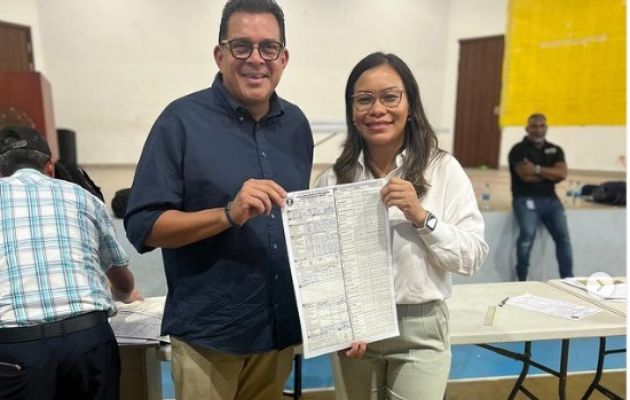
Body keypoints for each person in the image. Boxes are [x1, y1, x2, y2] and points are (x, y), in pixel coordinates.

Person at [123, 0, 313, 398]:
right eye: (241, 46)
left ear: (284, 57)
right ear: (220, 54)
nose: (256, 59)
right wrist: (228, 213)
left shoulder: (296, 126)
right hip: (209, 339)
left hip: (277, 333)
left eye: (269, 48)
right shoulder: (180, 122)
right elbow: (143, 225)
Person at [315, 52, 488, 399]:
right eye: (364, 99)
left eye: (390, 96)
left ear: (410, 104)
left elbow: (472, 257)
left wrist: (422, 217)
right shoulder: (332, 180)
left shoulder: (442, 170)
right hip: (356, 333)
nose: (377, 109)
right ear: (352, 110)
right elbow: (323, 271)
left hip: (420, 331)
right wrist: (338, 323)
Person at [0, 125, 142, 400]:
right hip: (87, 340)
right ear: (50, 166)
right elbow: (123, 280)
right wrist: (124, 294)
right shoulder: (82, 197)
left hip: (15, 349)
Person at [508, 113, 573, 281]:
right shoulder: (518, 150)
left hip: (551, 200)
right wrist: (550, 174)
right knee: (527, 236)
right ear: (527, 129)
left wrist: (536, 169)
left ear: (546, 128)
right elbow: (525, 176)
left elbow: (562, 173)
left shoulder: (555, 149)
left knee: (563, 237)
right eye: (534, 126)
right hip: (525, 199)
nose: (538, 130)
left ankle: (567, 279)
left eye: (542, 126)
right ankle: (522, 280)